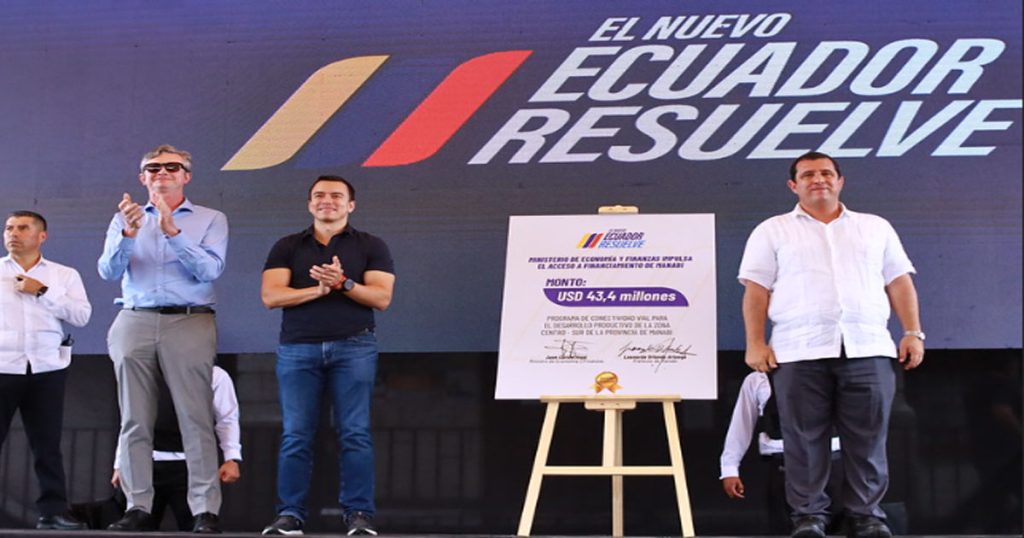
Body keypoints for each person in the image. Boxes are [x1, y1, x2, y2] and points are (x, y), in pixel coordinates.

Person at [738, 151, 924, 538]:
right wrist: (755, 342)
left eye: (826, 173)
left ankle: (866, 515)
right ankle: (809, 517)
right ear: (793, 185)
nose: (818, 179)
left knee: (868, 437)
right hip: (798, 350)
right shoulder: (772, 230)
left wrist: (913, 332)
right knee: (803, 439)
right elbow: (756, 291)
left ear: (840, 181)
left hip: (867, 347)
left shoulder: (875, 227)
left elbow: (899, 281)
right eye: (808, 175)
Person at [97, 144, 229, 534]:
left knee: (195, 417)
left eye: (173, 167)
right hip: (134, 318)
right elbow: (107, 271)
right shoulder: (124, 218)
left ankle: (204, 509)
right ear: (142, 178)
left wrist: (173, 232)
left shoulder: (210, 218)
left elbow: (210, 270)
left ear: (186, 176)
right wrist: (127, 234)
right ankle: (138, 506)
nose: (162, 173)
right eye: (153, 168)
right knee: (134, 419)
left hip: (189, 320)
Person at [259, 175, 394, 536]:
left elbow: (381, 298)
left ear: (351, 205)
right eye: (319, 195)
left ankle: (359, 515)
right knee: (296, 435)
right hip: (298, 348)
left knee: (355, 433)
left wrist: (343, 283)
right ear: (309, 204)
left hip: (354, 346)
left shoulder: (371, 245)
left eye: (336, 195)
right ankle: (290, 515)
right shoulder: (288, 246)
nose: (327, 200)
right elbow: (271, 296)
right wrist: (318, 290)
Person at [0, 210, 92, 530]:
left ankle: (53, 511)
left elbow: (81, 316)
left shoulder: (63, 275)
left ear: (42, 236)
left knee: (47, 444)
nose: (13, 233)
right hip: (2, 365)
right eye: (9, 228)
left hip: (47, 366)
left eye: (22, 228)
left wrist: (43, 291)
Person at [111, 365, 242, 530]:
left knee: (201, 528)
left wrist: (231, 458)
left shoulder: (214, 374)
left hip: (193, 467)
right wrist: (121, 462)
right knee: (135, 527)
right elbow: (131, 422)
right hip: (146, 464)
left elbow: (227, 418)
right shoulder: (143, 371)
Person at [719, 371, 842, 534]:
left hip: (833, 463)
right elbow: (742, 424)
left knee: (839, 529)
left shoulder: (832, 372)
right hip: (783, 465)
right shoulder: (758, 380)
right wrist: (729, 467)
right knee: (789, 529)